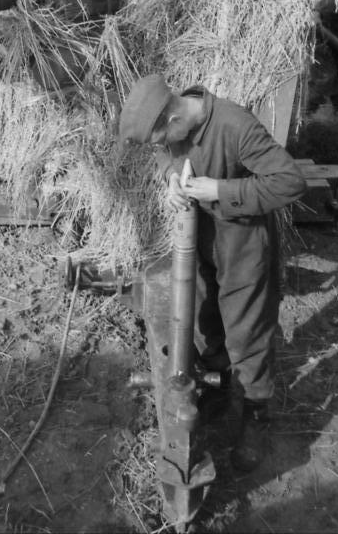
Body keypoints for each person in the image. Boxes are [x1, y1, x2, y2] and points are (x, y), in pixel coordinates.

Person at [119, 74, 307, 472]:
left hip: (243, 247)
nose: (166, 146)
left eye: (164, 138)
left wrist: (221, 191)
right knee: (205, 325)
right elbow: (165, 156)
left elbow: (290, 182)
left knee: (247, 334)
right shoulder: (175, 122)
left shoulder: (236, 126)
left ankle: (256, 415)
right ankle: (217, 390)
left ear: (172, 118)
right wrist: (170, 178)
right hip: (201, 243)